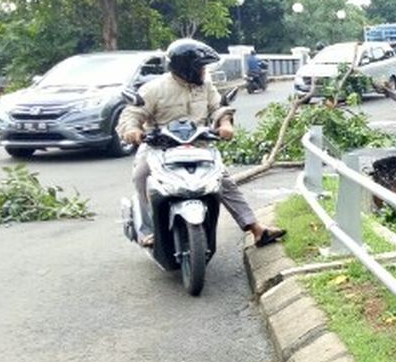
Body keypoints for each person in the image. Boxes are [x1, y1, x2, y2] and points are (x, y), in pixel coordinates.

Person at [117, 39, 286, 249]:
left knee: (224, 182)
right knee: (141, 176)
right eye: (201, 67)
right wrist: (133, 131)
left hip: (198, 146)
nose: (204, 71)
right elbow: (132, 114)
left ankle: (256, 229)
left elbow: (218, 108)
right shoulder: (154, 89)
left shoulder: (205, 85)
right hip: (160, 148)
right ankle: (149, 231)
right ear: (186, 67)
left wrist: (225, 124)